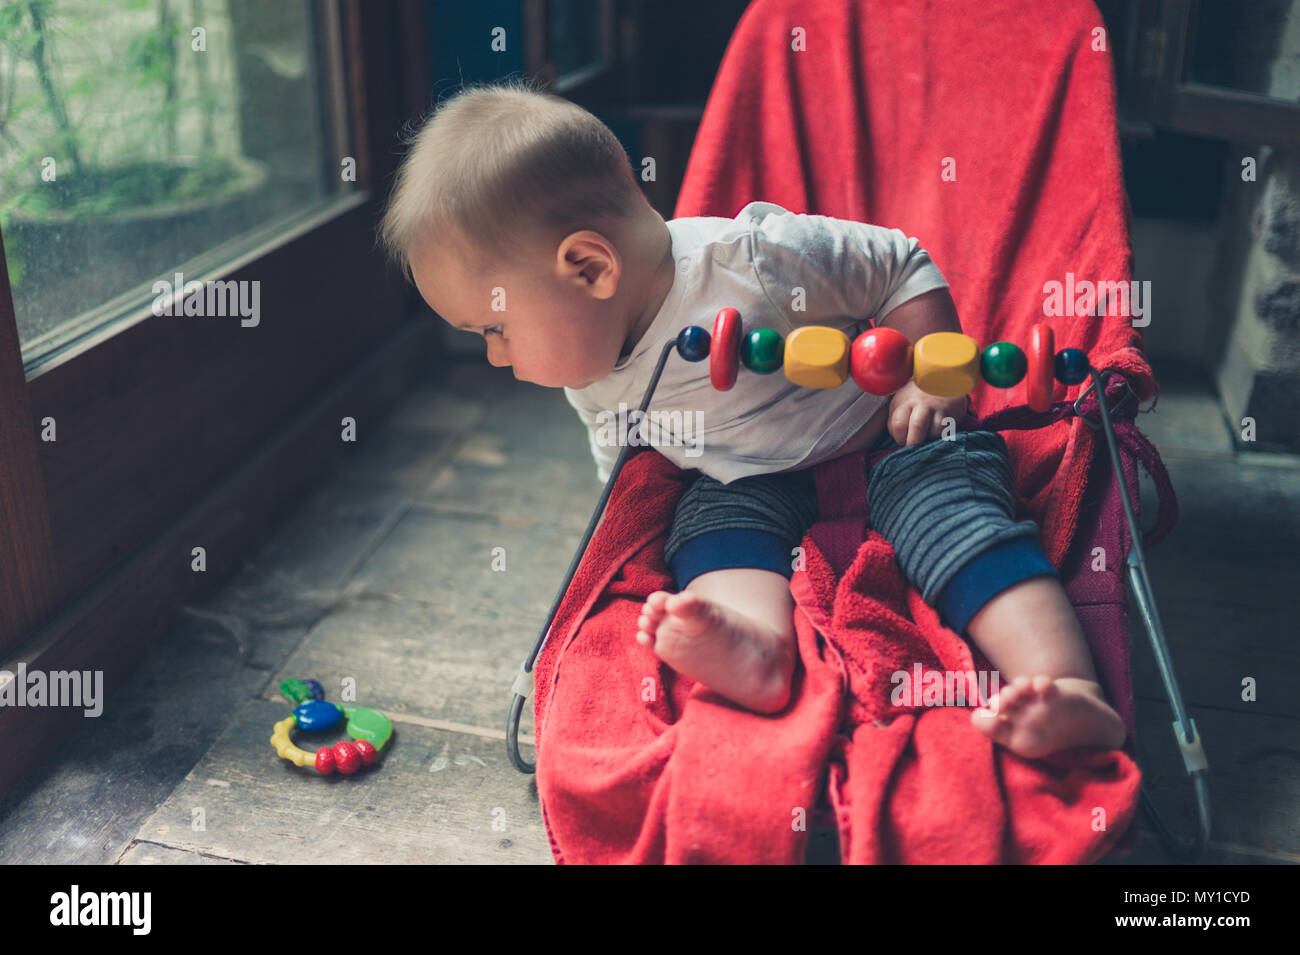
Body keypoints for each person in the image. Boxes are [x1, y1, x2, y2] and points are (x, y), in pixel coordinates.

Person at [379, 80, 1126, 759]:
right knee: (707, 533)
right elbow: (629, 478)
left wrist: (935, 369)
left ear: (589, 268)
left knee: (960, 522)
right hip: (747, 479)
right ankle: (757, 651)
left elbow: (902, 262)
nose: (495, 359)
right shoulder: (593, 366)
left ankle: (1067, 687)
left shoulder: (757, 259)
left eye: (494, 329)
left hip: (890, 441)